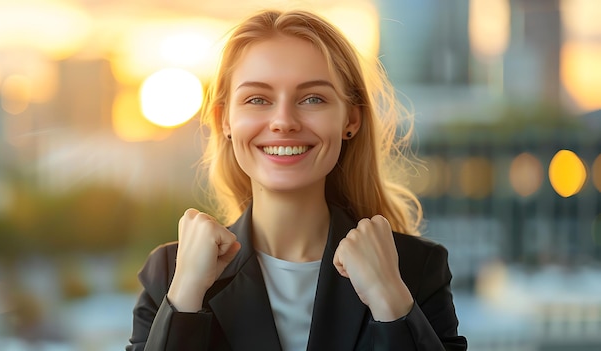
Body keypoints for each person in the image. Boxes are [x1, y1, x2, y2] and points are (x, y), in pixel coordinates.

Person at [127, 9, 467, 351]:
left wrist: (391, 302)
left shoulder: (417, 269)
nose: (283, 121)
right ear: (224, 120)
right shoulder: (168, 273)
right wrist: (185, 295)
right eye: (257, 99)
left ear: (350, 119)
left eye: (313, 98)